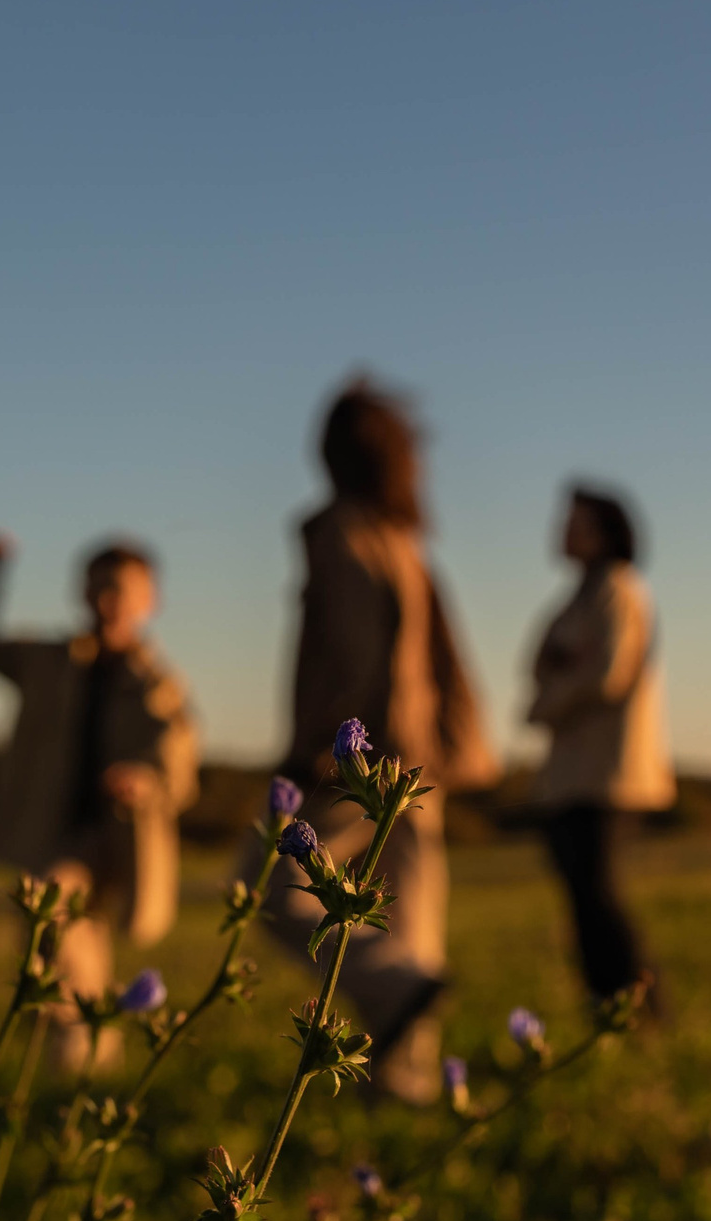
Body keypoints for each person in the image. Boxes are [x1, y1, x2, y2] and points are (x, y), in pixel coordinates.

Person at [265, 380, 500, 1100]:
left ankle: (395, 989)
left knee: (273, 888)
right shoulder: (403, 536)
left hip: (360, 756)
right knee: (413, 910)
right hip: (416, 753)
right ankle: (408, 1083)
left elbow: (357, 653)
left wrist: (319, 745)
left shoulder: (340, 529)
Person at [0, 534, 198, 1062]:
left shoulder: (157, 683)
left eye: (121, 590)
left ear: (149, 601)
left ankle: (75, 1045)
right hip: (51, 827)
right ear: (82, 593)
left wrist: (145, 780)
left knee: (50, 904)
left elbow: (178, 762)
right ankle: (90, 1048)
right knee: (66, 931)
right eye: (98, 588)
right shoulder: (49, 660)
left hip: (115, 836)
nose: (108, 601)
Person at [526, 484, 673, 1009]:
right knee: (582, 898)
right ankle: (604, 1003)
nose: (563, 532)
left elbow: (606, 673)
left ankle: (641, 1007)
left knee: (599, 895)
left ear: (608, 532)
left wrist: (548, 702)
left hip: (608, 772)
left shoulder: (618, 588)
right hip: (572, 774)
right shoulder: (579, 595)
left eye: (577, 523)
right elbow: (544, 661)